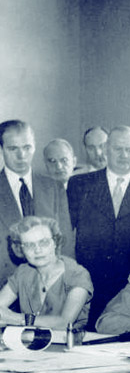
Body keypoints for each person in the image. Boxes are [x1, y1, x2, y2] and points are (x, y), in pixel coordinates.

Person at [67, 125, 130, 330]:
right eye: (118, 149)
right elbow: (67, 233)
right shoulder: (80, 184)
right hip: (91, 285)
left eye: (129, 150)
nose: (124, 155)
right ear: (106, 149)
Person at [0, 120, 73, 288]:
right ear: (1, 149)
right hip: (4, 287)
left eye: (27, 148)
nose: (22, 156)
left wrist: (67, 284)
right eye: (13, 149)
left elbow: (66, 243)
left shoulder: (54, 186)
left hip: (52, 287)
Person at [0, 216, 92, 330]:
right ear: (21, 249)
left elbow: (64, 323)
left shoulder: (77, 275)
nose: (37, 250)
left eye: (43, 242)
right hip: (28, 344)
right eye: (29, 245)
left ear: (55, 242)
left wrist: (16, 318)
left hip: (69, 345)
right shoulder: (23, 272)